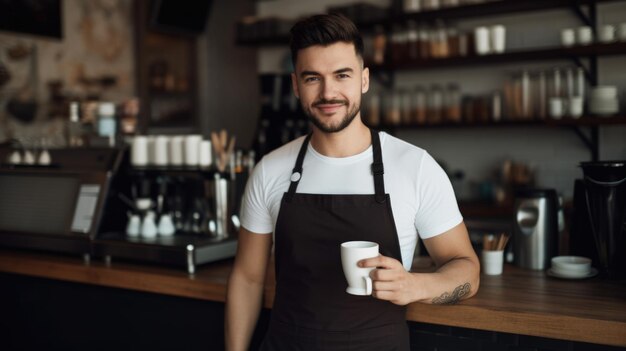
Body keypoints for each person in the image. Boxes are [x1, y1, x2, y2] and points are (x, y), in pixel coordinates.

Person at [225, 13, 480, 351]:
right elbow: (247, 278)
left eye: (341, 75)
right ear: (295, 86)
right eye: (313, 78)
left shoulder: (414, 167)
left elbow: (467, 270)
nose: (328, 92)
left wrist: (416, 287)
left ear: (364, 79)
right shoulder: (270, 170)